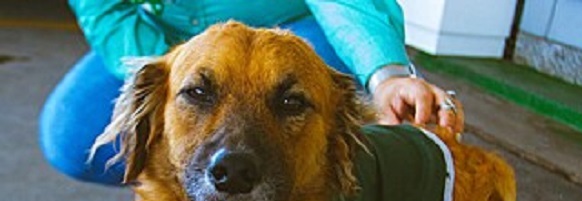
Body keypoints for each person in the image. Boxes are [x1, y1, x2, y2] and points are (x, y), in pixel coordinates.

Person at [41, 0, 463, 185]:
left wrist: (385, 72)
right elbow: (107, 10)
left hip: (290, 27)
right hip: (173, 43)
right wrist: (184, 72)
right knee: (72, 135)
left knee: (325, 107)